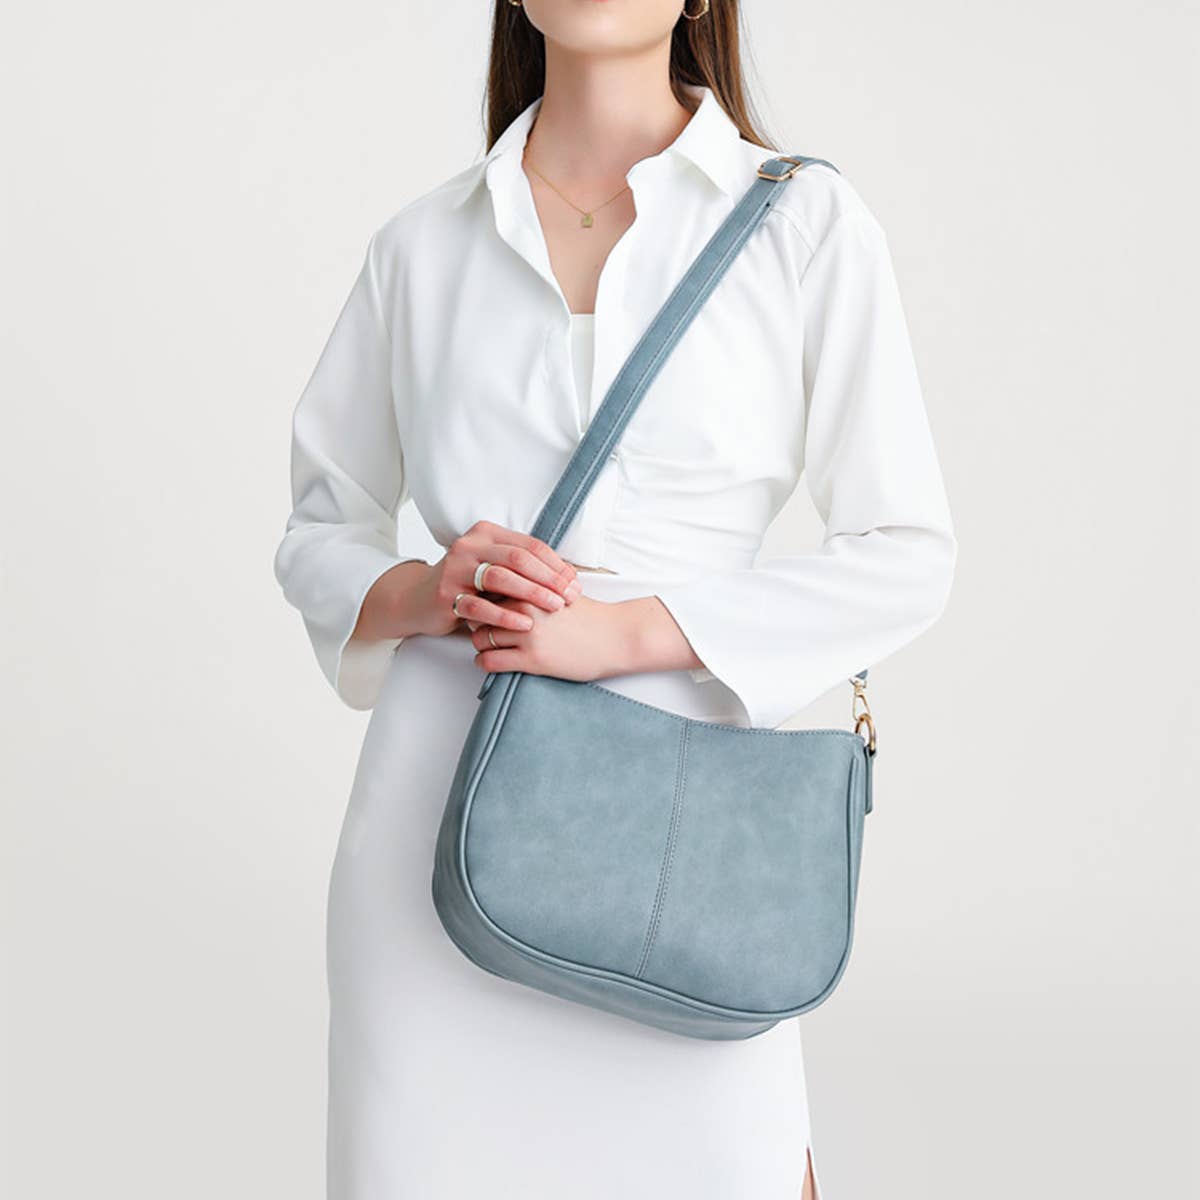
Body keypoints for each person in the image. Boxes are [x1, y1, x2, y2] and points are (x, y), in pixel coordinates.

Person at [272, 2, 957, 1197]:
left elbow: (907, 552)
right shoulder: (422, 243)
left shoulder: (803, 222)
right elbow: (318, 532)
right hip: (436, 834)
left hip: (684, 849)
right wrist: (426, 588)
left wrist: (621, 634)